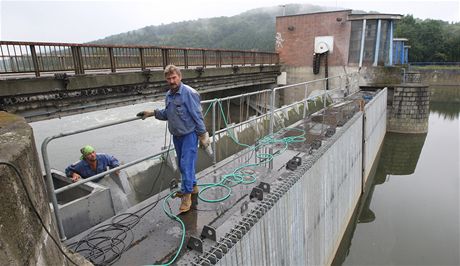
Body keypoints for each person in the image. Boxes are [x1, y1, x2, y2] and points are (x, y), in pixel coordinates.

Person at [136, 64, 210, 213]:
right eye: (169, 78)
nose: (172, 81)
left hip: (189, 135)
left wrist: (202, 135)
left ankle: (187, 196)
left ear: (180, 77)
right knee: (184, 165)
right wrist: (152, 113)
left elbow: (197, 115)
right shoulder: (168, 95)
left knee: (185, 165)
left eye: (174, 77)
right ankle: (193, 187)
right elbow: (167, 114)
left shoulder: (189, 93)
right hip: (177, 136)